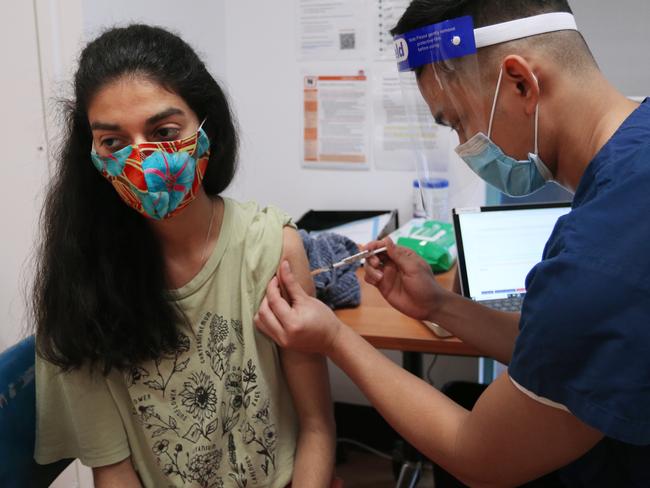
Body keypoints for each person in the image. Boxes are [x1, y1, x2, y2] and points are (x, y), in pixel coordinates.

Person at [254, 0, 650, 486]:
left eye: (458, 121)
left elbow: (478, 455)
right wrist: (439, 304)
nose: (465, 146)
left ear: (521, 83)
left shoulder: (601, 251)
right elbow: (562, 352)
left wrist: (336, 339)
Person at [32, 25, 336, 488]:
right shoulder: (79, 286)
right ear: (91, 153)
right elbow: (112, 471)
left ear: (205, 126)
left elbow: (316, 426)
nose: (144, 160)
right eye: (113, 142)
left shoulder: (271, 247)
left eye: (164, 131)